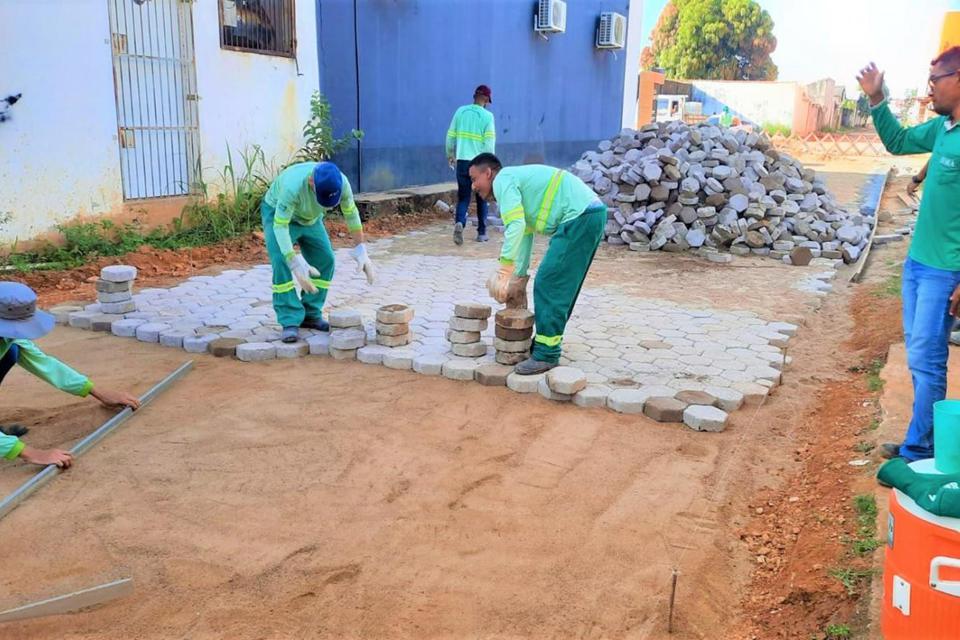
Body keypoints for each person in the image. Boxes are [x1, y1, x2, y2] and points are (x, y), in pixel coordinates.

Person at [857, 52, 960, 461]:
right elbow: (898, 142)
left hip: (946, 270)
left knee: (928, 358)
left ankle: (920, 449)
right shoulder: (942, 129)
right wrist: (878, 99)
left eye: (937, 78)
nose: (930, 85)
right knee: (919, 356)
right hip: (918, 263)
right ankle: (923, 438)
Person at [468, 153, 606, 375]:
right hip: (588, 215)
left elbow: (515, 225)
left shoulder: (504, 180)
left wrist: (503, 271)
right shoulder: (517, 182)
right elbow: (524, 233)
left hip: (580, 217)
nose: (473, 186)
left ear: (488, 173)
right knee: (560, 285)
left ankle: (547, 354)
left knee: (549, 282)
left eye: (475, 179)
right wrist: (518, 277)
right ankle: (546, 343)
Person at [0, 282, 140, 468]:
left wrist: (96, 391)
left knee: (12, 352)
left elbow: (45, 364)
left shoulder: (8, 337)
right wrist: (30, 453)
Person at [262, 161, 375, 343]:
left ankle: (311, 314)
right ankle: (289, 320)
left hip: (311, 218)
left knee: (326, 260)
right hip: (278, 215)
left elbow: (351, 212)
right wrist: (292, 260)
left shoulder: (342, 182)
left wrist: (361, 249)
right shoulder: (293, 186)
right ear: (311, 183)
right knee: (281, 261)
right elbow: (280, 225)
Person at [446, 85, 496, 245]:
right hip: (479, 164)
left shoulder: (460, 112)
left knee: (463, 197)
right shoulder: (488, 117)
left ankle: (460, 222)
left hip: (462, 161)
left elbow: (450, 136)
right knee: (482, 197)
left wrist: (450, 154)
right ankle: (481, 233)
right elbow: (489, 144)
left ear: (474, 96)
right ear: (487, 100)